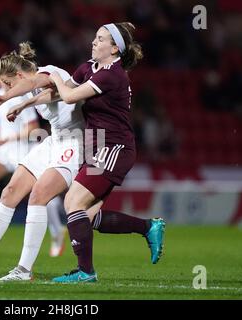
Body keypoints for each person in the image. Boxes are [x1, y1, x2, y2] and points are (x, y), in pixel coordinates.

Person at [46, 22, 166, 283]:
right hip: (96, 142)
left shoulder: (113, 74)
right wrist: (21, 102)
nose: (94, 42)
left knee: (72, 203)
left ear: (114, 49)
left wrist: (53, 76)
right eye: (95, 37)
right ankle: (148, 227)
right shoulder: (90, 67)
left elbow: (68, 96)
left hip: (113, 146)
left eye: (100, 39)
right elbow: (58, 94)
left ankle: (86, 273)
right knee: (86, 216)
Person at [0, 42, 85, 281]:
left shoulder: (50, 72)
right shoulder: (33, 87)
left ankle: (23, 270)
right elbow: (45, 95)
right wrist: (20, 105)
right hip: (54, 140)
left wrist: (9, 97)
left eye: (8, 83)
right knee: (9, 192)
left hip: (75, 142)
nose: (5, 88)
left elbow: (33, 84)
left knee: (38, 196)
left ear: (18, 75)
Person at [0, 76, 67, 258]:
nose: (0, 80)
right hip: (3, 150)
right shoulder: (0, 94)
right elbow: (6, 122)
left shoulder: (22, 95)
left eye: (4, 77)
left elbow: (33, 129)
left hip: (22, 149)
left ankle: (57, 231)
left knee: (41, 192)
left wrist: (6, 139)